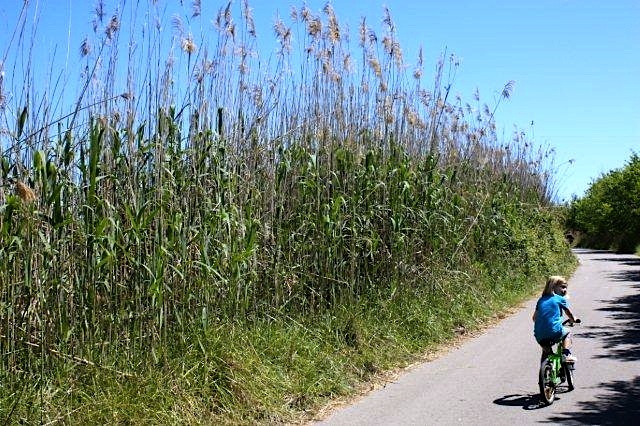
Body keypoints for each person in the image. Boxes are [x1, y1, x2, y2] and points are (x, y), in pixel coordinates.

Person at [533, 276, 579, 363]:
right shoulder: (560, 299)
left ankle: (545, 372)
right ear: (553, 287)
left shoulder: (541, 300)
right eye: (562, 287)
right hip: (555, 331)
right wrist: (573, 320)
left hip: (539, 335)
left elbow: (534, 318)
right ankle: (566, 354)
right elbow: (568, 313)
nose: (565, 290)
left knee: (547, 354)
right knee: (567, 333)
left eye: (565, 287)